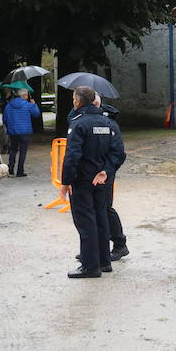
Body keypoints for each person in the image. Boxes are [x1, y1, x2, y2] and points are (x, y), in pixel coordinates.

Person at [61, 86, 125, 279]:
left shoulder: (79, 124)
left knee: (85, 221)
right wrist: (106, 171)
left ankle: (90, 266)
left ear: (79, 101)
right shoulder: (109, 123)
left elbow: (72, 156)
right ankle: (104, 262)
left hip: (82, 181)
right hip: (101, 180)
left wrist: (66, 181)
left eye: (74, 98)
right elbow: (118, 153)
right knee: (100, 217)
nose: (73, 101)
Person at [3, 89, 40, 177]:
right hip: (25, 132)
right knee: (23, 152)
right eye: (27, 95)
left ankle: (10, 169)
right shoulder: (28, 105)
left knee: (13, 150)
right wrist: (34, 104)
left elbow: (5, 119)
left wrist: (10, 127)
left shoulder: (9, 105)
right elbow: (36, 114)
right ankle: (20, 171)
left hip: (13, 132)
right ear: (24, 96)